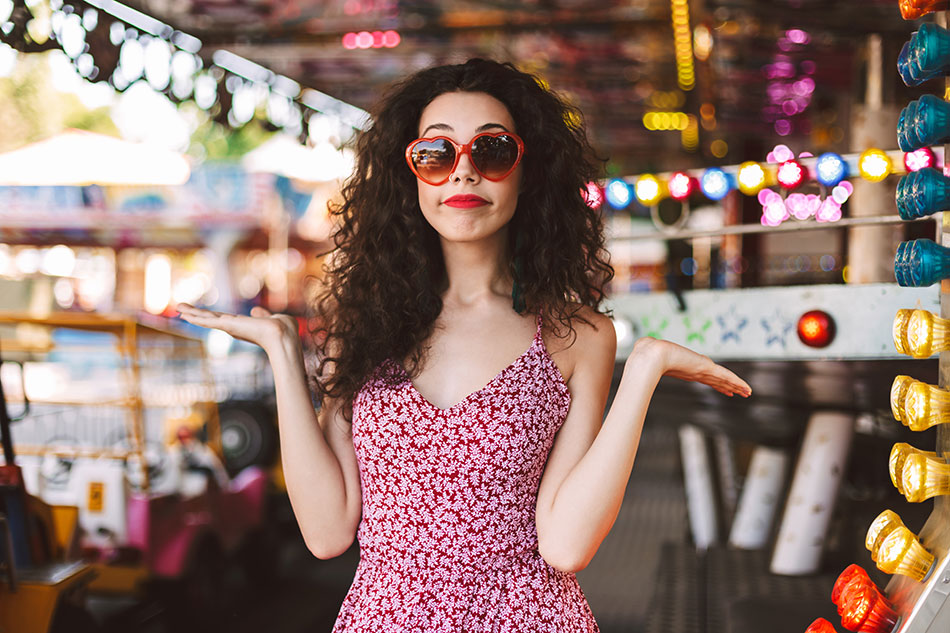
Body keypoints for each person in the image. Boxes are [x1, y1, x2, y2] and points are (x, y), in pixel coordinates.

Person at [176, 58, 751, 632]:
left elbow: (566, 547)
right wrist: (280, 350)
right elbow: (327, 534)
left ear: (531, 171)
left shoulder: (577, 336)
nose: (463, 173)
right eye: (436, 154)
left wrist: (645, 369)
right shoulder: (365, 328)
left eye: (493, 151)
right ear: (411, 176)